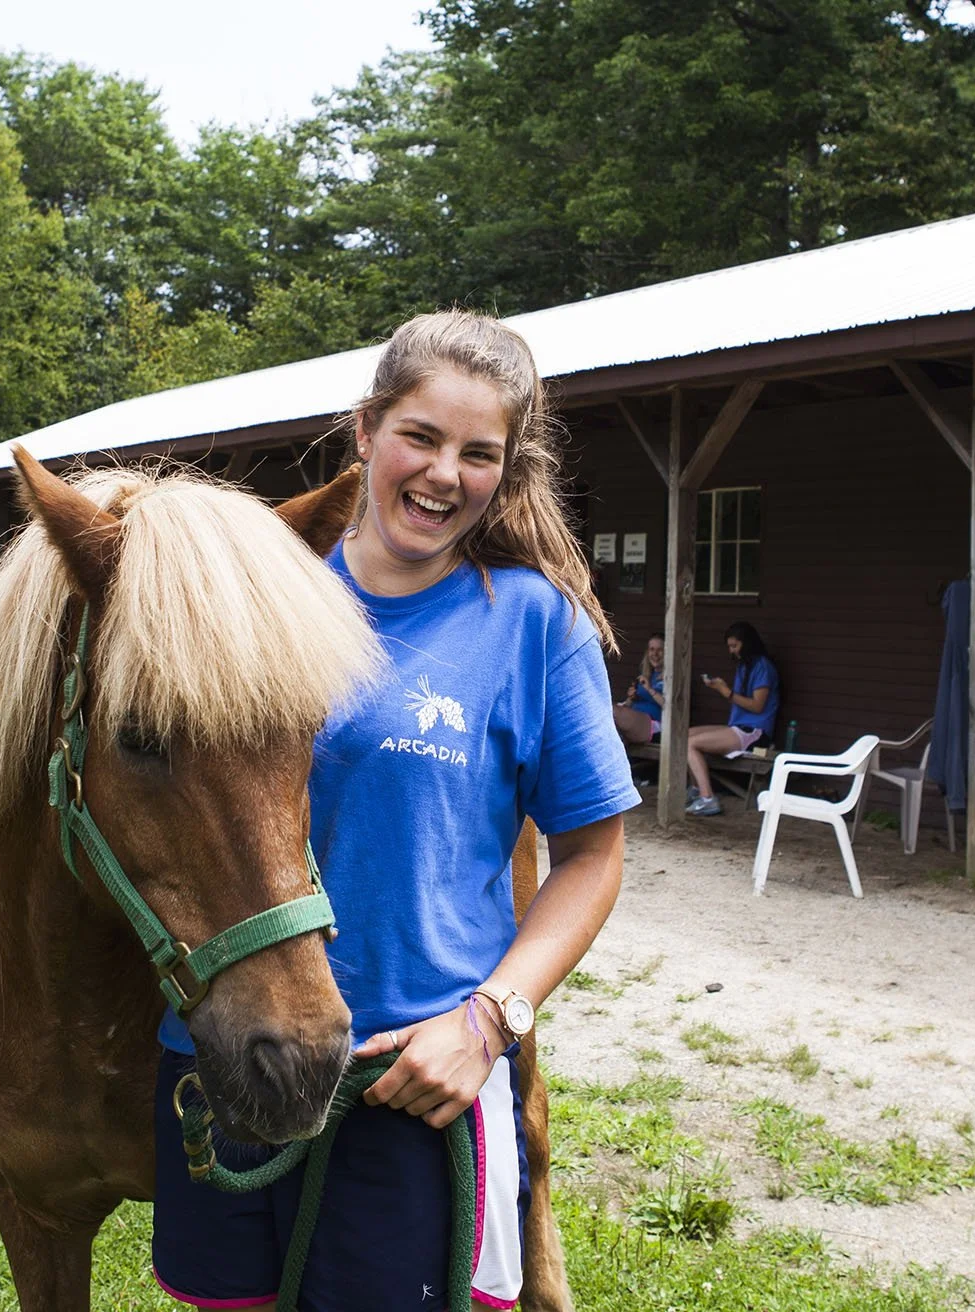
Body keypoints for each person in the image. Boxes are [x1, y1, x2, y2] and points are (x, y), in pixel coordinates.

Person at [151, 311, 639, 1312]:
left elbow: (591, 856)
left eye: (478, 453)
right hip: (228, 1056)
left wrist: (487, 1020)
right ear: (365, 428)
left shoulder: (533, 626)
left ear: (505, 472)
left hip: (410, 1078)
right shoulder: (248, 599)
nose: (443, 473)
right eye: (419, 435)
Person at [684, 620, 779, 817]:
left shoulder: (763, 667)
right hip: (739, 727)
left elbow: (757, 705)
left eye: (735, 646)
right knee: (684, 736)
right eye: (729, 646)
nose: (732, 651)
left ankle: (708, 798)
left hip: (755, 731)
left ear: (747, 644)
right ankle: (696, 789)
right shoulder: (744, 666)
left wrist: (725, 692)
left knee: (691, 744)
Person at [612, 632, 665, 745]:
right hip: (634, 722)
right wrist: (631, 698)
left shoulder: (671, 678)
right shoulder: (646, 676)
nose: (655, 654)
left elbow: (670, 707)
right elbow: (629, 704)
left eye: (660, 650)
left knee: (613, 712)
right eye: (652, 649)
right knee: (605, 711)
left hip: (654, 726)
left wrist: (650, 689)